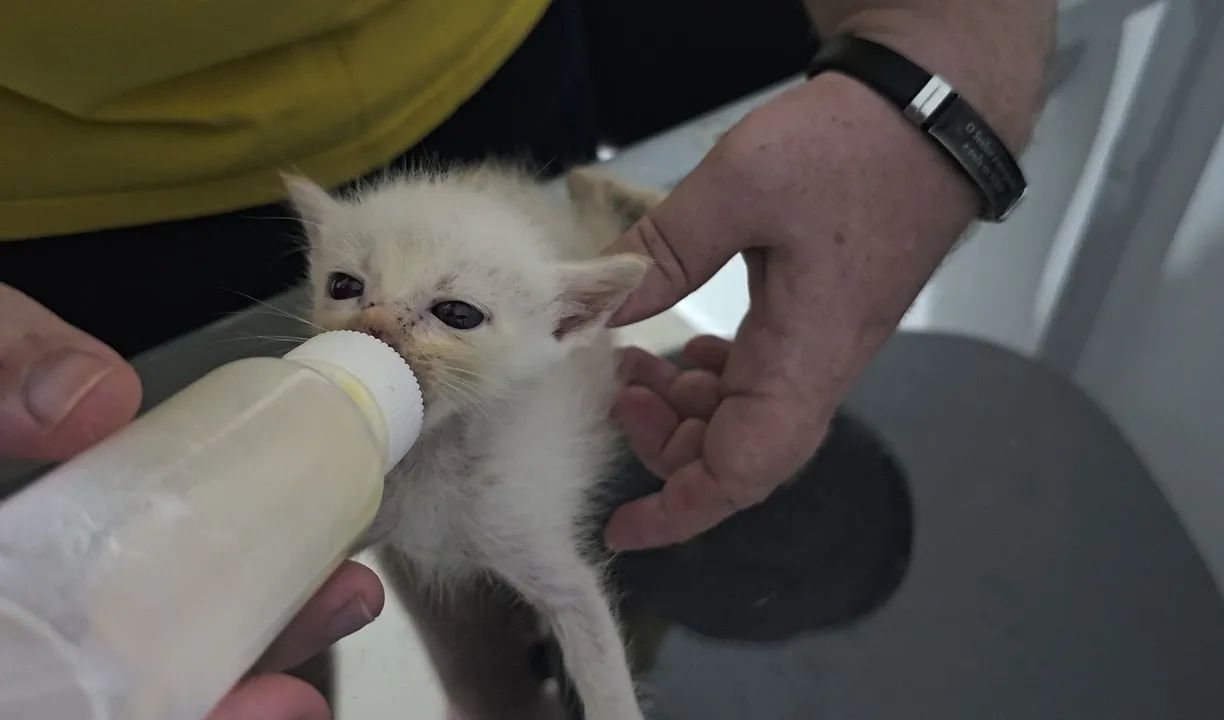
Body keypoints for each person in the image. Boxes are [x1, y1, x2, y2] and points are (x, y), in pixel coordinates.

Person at [0, 0, 1054, 717]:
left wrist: (940, 48)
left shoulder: (540, 379)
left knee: (335, 560)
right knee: (247, 600)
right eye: (347, 296)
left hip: (480, 54)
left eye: (442, 316)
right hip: (63, 193)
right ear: (314, 258)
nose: (378, 335)